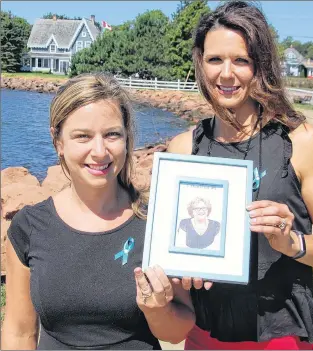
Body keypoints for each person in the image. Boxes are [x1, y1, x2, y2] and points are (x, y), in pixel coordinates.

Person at [167, 1, 313, 350]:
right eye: (215, 60)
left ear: (260, 65)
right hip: (205, 334)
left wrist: (292, 242)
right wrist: (180, 269)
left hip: (280, 337)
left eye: (241, 60)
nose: (226, 74)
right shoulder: (181, 148)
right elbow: (174, 250)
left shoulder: (301, 141)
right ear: (201, 63)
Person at [2, 73, 195, 350]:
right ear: (58, 141)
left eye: (112, 134)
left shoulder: (157, 221)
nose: (100, 151)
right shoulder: (29, 228)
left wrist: (157, 309)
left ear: (127, 138)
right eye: (82, 136)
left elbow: (177, 333)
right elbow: (19, 333)